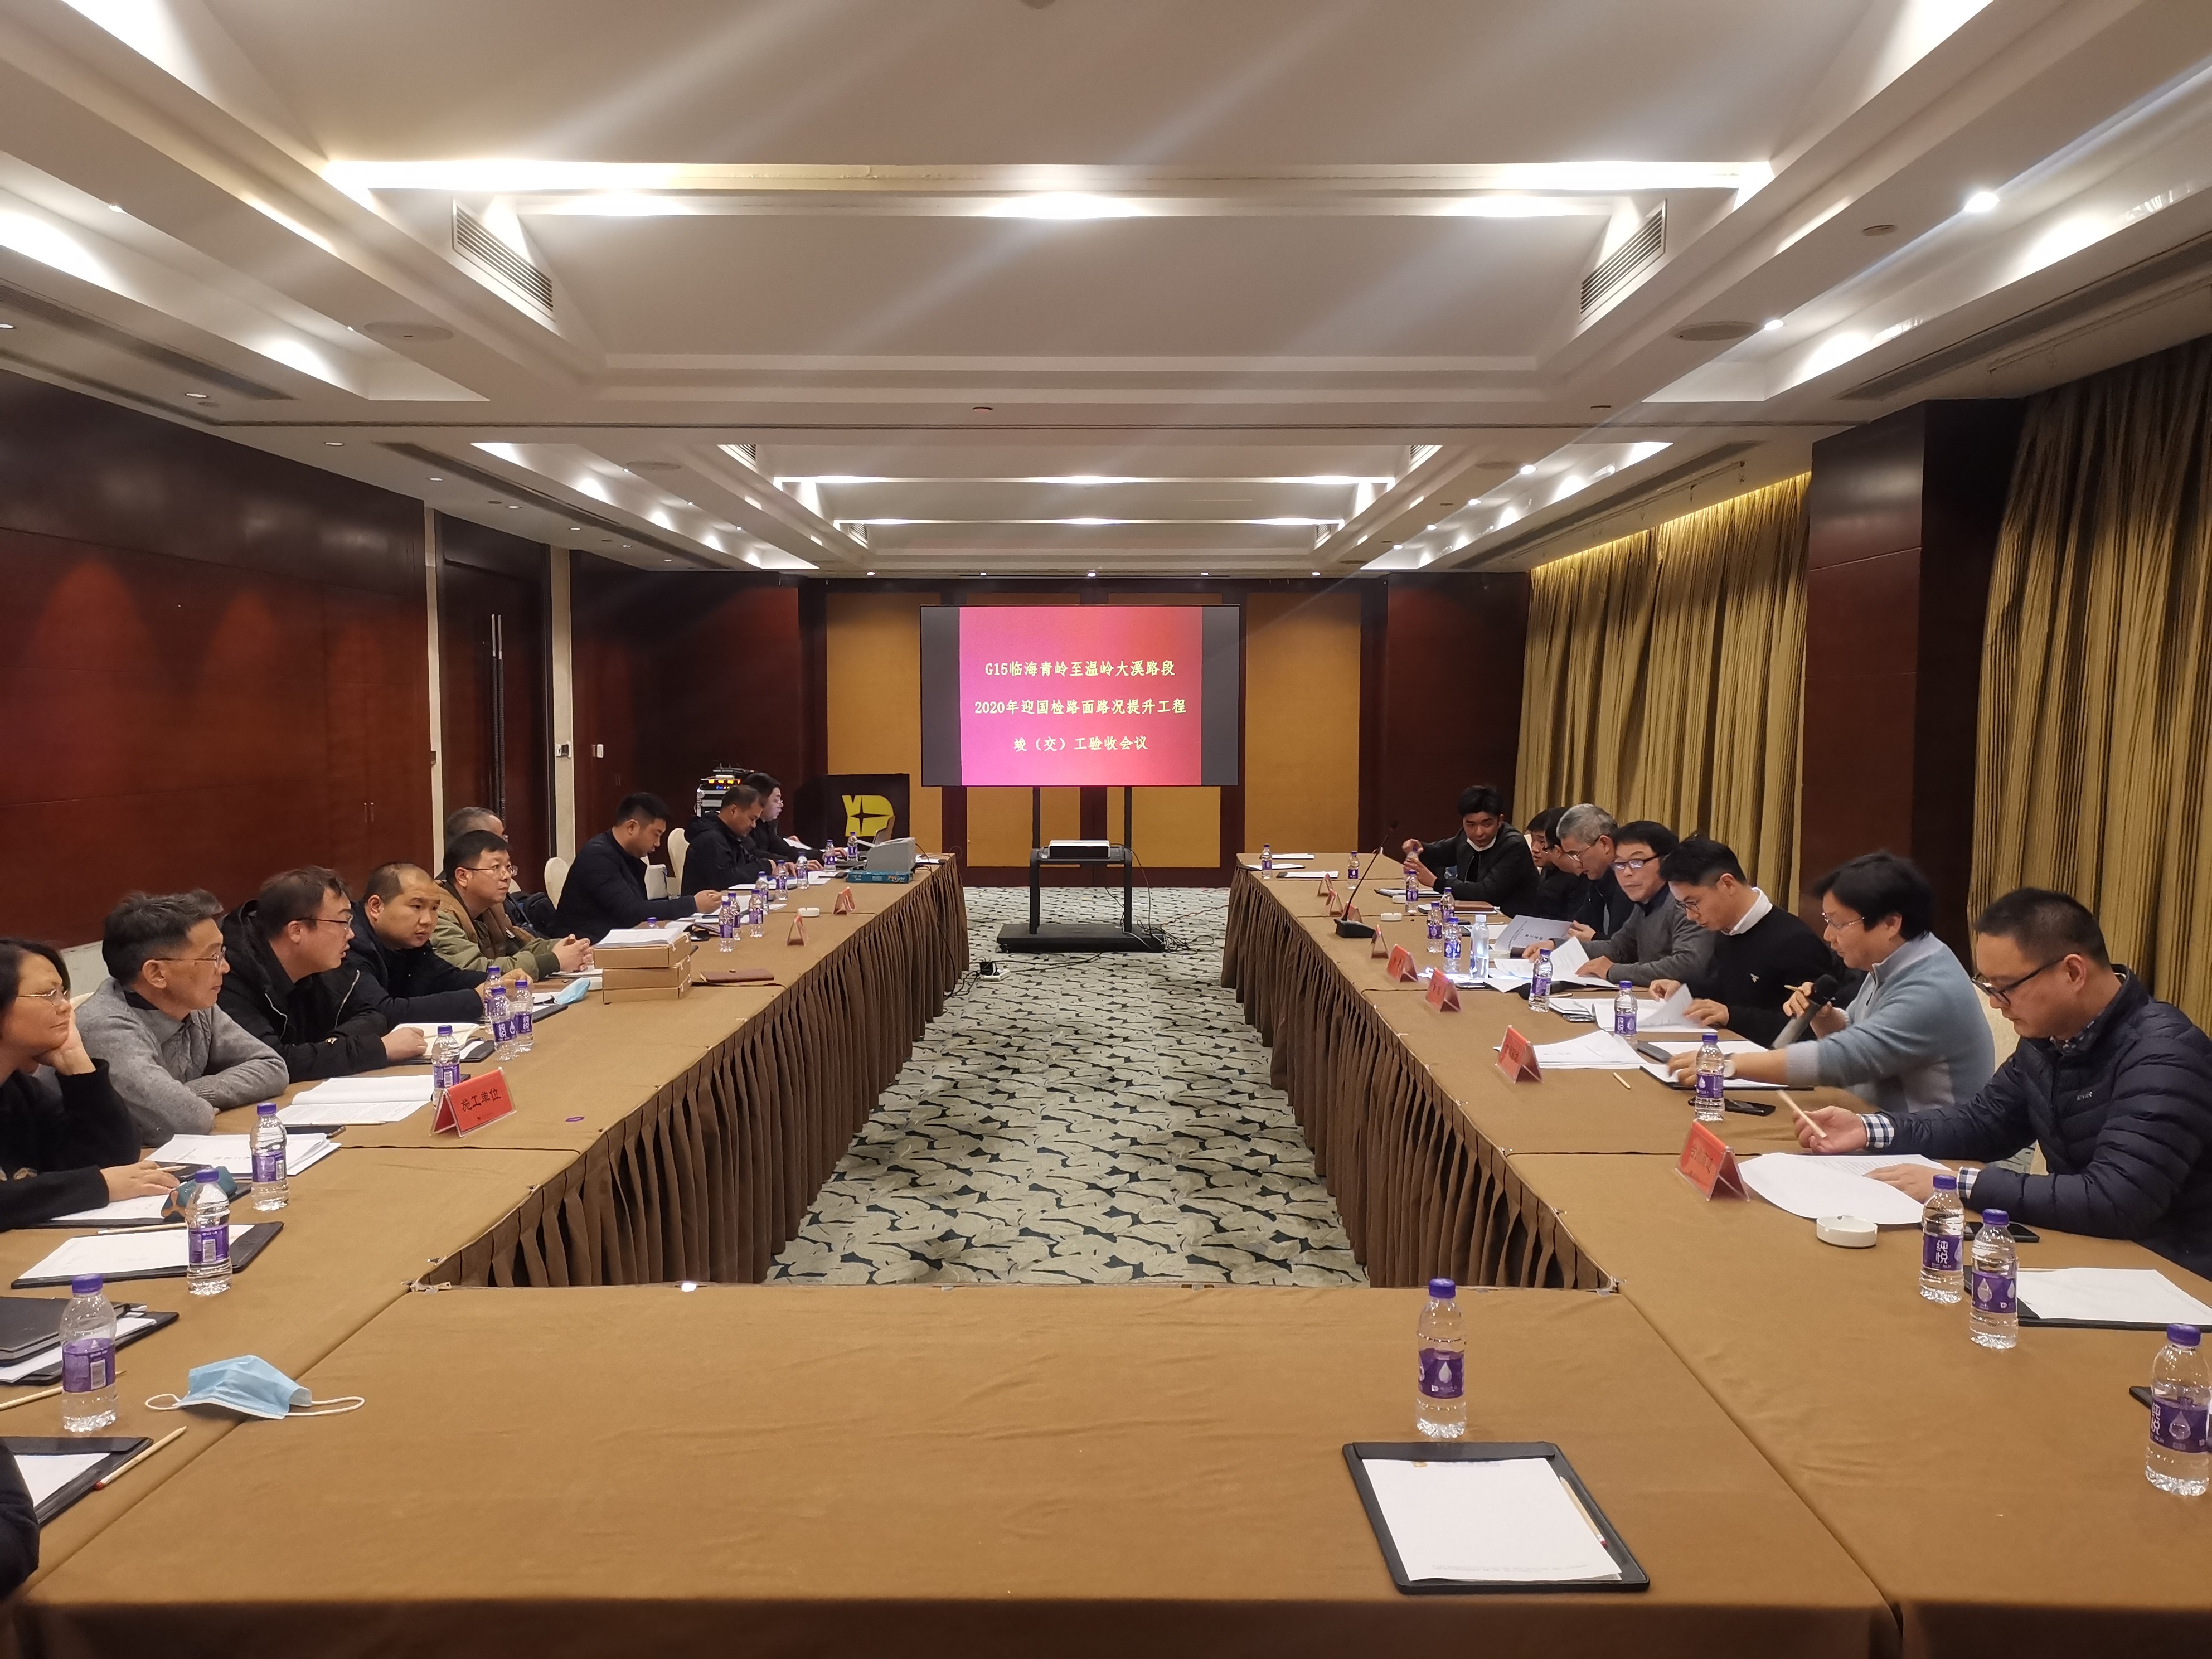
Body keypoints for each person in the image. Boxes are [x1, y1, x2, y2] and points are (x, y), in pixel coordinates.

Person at [1796, 888, 2212, 1278]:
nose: (1996, 1004)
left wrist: (1958, 1183)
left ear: (2073, 972)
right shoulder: (2049, 1039)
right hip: (2094, 1252)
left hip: (2176, 1277)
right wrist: (1868, 1129)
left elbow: (2117, 1200)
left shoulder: (2165, 1056)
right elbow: (1984, 1123)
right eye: (1988, 986)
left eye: (2006, 988)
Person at [1670, 852, 1993, 1110]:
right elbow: (1855, 1029)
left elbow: (1848, 1058)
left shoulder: (1930, 988)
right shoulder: (1895, 961)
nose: (1828, 935)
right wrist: (1824, 1017)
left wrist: (1729, 1064)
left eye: (1838, 924)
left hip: (1931, 1150)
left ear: (1891, 923)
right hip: (1868, 1120)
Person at [76, 890, 288, 1140]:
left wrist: (190, 1093)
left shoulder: (195, 1006)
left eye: (222, 953)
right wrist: (183, 1104)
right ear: (157, 974)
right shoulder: (105, 1028)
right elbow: (187, 1120)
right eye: (212, 956)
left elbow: (273, 1068)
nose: (225, 967)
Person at [0, 938, 175, 1229]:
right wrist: (96, 1185)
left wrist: (75, 1061)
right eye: (48, 995)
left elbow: (114, 1158)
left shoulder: (18, 1090)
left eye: (62, 993)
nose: (65, 1008)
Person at [218, 869, 423, 1080]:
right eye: (343, 923)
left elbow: (372, 1015)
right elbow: (273, 1062)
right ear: (296, 931)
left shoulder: (316, 965)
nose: (351, 934)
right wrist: (376, 1049)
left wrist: (332, 1047)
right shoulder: (230, 974)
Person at [1647, 836, 1832, 1047]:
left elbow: (1809, 1029)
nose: (1690, 916)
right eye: (1683, 906)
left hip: (1771, 1059)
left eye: (1693, 903)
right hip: (1728, 1045)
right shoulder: (1727, 929)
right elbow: (1724, 987)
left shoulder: (1796, 942)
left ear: (1727, 884)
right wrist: (1683, 989)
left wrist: (1731, 1016)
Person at [555, 793, 722, 943]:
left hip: (614, 940)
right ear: (632, 827)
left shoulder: (626, 854)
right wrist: (693, 904)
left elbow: (637, 908)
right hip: (587, 948)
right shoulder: (597, 857)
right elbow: (631, 912)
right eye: (656, 834)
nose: (658, 844)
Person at [434, 831, 589, 981]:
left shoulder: (492, 906)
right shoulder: (438, 916)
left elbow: (522, 946)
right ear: (463, 876)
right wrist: (554, 961)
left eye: (508, 867)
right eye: (496, 867)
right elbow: (475, 971)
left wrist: (569, 948)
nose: (506, 876)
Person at [346, 863, 488, 1026]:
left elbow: (444, 979)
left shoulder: (408, 941)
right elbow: (380, 1012)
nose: (427, 921)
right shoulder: (349, 942)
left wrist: (498, 982)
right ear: (376, 907)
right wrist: (476, 999)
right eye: (417, 906)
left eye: (434, 908)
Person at [1575, 821, 1713, 986]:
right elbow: (1618, 948)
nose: (1627, 873)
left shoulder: (1685, 903)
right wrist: (1557, 947)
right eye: (1619, 864)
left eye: (1637, 862)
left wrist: (1613, 971)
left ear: (1666, 862)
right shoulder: (1646, 900)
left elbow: (1687, 965)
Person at [1399, 785, 1540, 913]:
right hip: (1473, 914)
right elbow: (1440, 853)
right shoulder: (1464, 837)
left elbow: (1487, 893)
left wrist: (1436, 882)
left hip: (1510, 920)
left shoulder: (1514, 845)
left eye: (1487, 824)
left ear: (1500, 821)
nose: (1479, 832)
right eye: (1471, 824)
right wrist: (1418, 848)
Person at [1555, 804, 1635, 938]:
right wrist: (1554, 943)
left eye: (1577, 854)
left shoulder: (1631, 881)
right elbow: (1580, 925)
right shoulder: (1598, 879)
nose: (1577, 864)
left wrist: (1594, 939)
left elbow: (1630, 946)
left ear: (1604, 843)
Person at [684, 784, 772, 894]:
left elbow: (747, 861)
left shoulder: (729, 834)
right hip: (705, 904)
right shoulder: (711, 838)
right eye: (752, 819)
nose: (754, 825)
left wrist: (774, 865)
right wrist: (764, 866)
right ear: (734, 810)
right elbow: (725, 879)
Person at [1523, 807, 1588, 921]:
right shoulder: (1548, 868)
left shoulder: (1577, 875)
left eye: (1542, 842)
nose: (1534, 848)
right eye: (1533, 839)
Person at [741, 772, 811, 863]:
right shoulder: (741, 826)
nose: (781, 805)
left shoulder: (767, 824)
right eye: (776, 800)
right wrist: (793, 863)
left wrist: (821, 855)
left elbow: (786, 850)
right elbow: (753, 854)